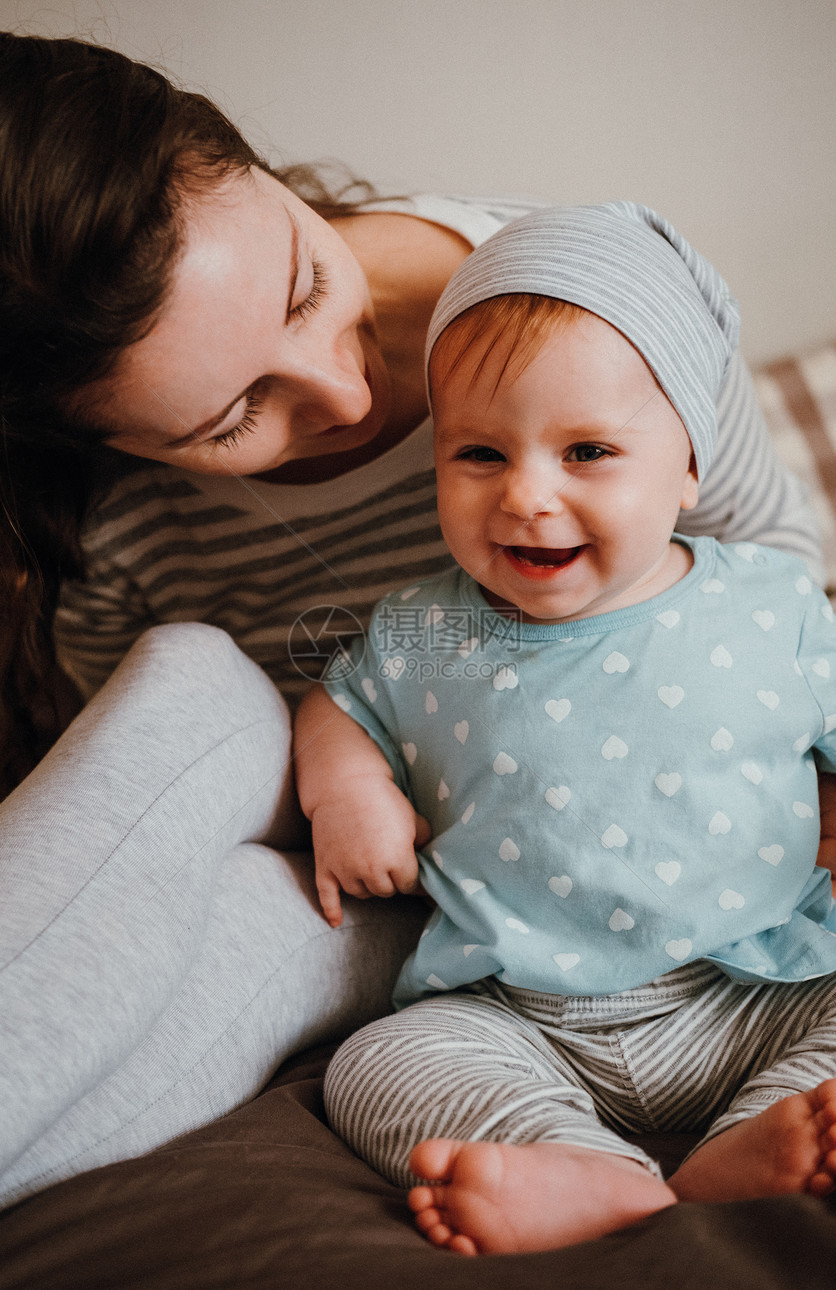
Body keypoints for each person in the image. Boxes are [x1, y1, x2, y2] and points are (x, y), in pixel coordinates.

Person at [0, 26, 829, 1220]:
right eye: (231, 423)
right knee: (190, 693)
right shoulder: (137, 531)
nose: (347, 394)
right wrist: (345, 769)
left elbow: (774, 574)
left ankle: (701, 1157)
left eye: (302, 291)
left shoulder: (601, 310)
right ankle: (583, 1173)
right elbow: (206, 796)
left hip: (616, 927)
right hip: (372, 862)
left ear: (246, 161)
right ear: (100, 439)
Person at [295, 203, 836, 1257]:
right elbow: (339, 702)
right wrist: (345, 791)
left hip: (757, 983)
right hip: (517, 1015)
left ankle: (749, 1144)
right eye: (480, 454)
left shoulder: (773, 607)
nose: (526, 497)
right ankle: (585, 1174)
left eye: (586, 450)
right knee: (374, 1066)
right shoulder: (426, 630)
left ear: (687, 464)